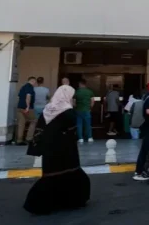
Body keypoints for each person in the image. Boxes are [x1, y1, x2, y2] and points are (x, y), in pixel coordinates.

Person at [23, 85, 90, 215]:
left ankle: (41, 204)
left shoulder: (47, 110)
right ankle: (72, 201)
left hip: (49, 149)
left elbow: (40, 129)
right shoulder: (67, 112)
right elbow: (72, 132)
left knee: (51, 175)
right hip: (66, 150)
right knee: (71, 173)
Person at [16, 77, 38, 145]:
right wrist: (27, 107)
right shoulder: (30, 87)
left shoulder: (23, 87)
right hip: (27, 108)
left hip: (20, 107)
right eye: (35, 82)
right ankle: (29, 138)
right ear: (33, 81)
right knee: (34, 120)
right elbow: (28, 96)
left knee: (21, 123)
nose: (35, 84)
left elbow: (19, 97)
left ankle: (19, 140)